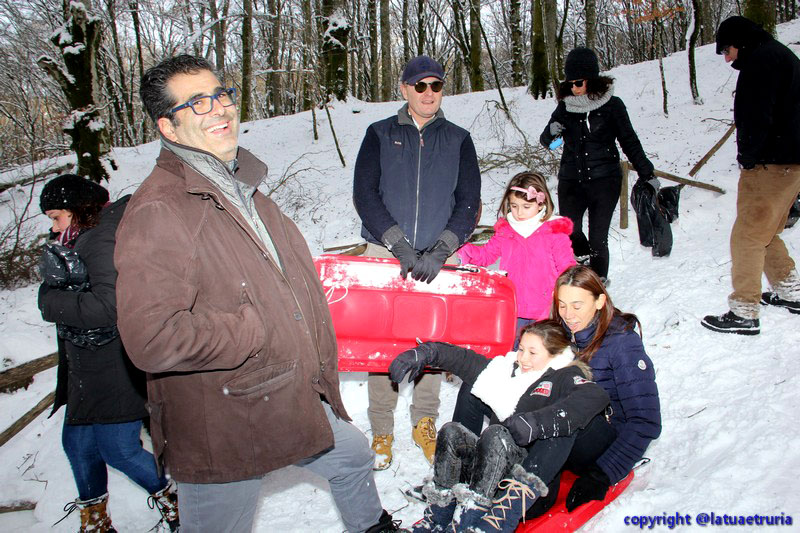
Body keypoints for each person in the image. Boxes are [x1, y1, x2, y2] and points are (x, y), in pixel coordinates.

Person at [114, 55, 399, 533]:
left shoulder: (244, 189)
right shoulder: (159, 210)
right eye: (199, 103)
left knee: (350, 457)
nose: (221, 109)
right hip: (223, 420)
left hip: (287, 397)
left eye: (222, 95)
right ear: (168, 125)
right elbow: (152, 336)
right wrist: (257, 325)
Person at [353, 54, 482, 469]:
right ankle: (382, 429)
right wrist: (398, 246)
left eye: (437, 86)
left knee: (433, 343)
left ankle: (424, 421)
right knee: (383, 343)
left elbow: (469, 202)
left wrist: (442, 250)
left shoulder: (460, 139)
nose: (429, 93)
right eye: (421, 86)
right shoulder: (378, 133)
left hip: (438, 257)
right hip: (385, 253)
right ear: (405, 89)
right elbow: (365, 194)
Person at [37, 174, 179, 532]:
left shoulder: (101, 239)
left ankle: (176, 503)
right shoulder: (82, 239)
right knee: (78, 444)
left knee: (119, 450)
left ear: (78, 210)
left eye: (57, 216)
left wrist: (50, 300)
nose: (54, 227)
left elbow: (108, 307)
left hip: (114, 364)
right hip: (88, 365)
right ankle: (97, 522)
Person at [388, 321, 610, 532]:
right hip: (488, 476)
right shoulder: (507, 370)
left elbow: (594, 395)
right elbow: (463, 359)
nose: (523, 358)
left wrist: (537, 423)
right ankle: (438, 518)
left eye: (533, 353)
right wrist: (426, 353)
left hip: (524, 492)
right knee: (451, 432)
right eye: (521, 349)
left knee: (498, 434)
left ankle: (477, 524)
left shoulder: (563, 376)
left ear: (555, 355)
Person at [701, 16, 800, 335]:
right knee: (767, 232)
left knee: (747, 236)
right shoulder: (780, 56)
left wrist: (749, 158)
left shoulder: (761, 62)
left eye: (726, 50)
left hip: (771, 163)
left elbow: (756, 116)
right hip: (791, 163)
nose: (727, 58)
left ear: (741, 43)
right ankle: (791, 292)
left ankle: (744, 310)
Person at [540, 47, 655, 284]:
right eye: (570, 82)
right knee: (570, 230)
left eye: (579, 82)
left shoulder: (612, 105)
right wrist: (551, 133)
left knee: (598, 237)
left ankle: (598, 283)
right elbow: (548, 143)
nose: (574, 87)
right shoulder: (565, 107)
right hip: (571, 179)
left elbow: (629, 141)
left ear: (592, 79)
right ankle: (582, 261)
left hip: (605, 180)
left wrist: (647, 173)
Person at [458, 171, 576, 343]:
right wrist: (461, 248)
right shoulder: (506, 230)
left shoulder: (554, 232)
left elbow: (567, 268)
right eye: (514, 206)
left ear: (541, 202)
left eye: (526, 207)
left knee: (542, 356)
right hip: (513, 309)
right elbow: (485, 256)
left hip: (546, 311)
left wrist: (560, 299)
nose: (519, 212)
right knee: (514, 356)